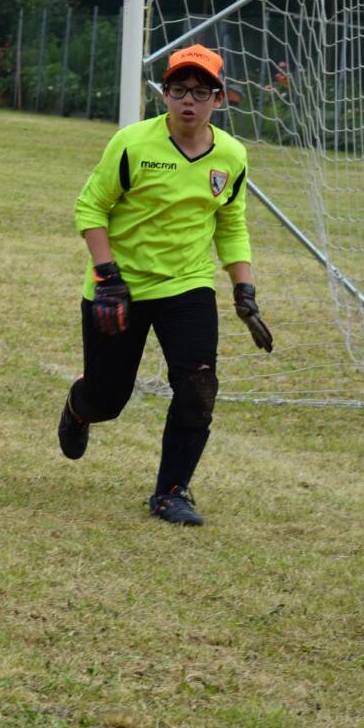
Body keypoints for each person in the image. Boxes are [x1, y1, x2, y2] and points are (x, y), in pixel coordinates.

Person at [57, 44, 273, 527]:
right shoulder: (132, 143)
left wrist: (244, 291)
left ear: (219, 98)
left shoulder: (232, 156)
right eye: (178, 90)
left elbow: (230, 224)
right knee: (108, 399)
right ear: (165, 95)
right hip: (120, 288)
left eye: (200, 91)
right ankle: (78, 407)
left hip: (187, 287)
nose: (188, 101)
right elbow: (90, 208)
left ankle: (172, 492)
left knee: (198, 388)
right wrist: (105, 274)